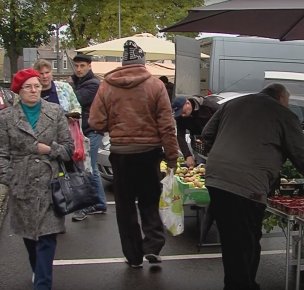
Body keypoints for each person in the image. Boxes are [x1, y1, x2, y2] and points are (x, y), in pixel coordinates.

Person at [201, 83, 304, 290]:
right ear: (281, 98)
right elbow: (302, 153)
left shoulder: (233, 104)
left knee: (235, 240)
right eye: (288, 101)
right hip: (246, 185)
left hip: (216, 178)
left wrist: (222, 159)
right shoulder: (282, 113)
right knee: (243, 242)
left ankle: (246, 284)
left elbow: (207, 133)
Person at [89, 40, 179, 268]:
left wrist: (115, 127)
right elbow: (167, 126)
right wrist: (171, 157)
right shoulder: (156, 85)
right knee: (149, 201)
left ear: (123, 61)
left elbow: (95, 121)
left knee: (125, 206)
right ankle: (153, 246)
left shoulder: (106, 86)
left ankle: (133, 255)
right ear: (142, 61)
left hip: (120, 154)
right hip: (149, 153)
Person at [0, 68, 74, 290]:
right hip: (21, 184)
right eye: (28, 87)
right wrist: (9, 178)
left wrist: (48, 149)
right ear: (18, 90)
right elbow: (2, 153)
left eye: (37, 86)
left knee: (47, 237)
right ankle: (37, 270)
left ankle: (42, 284)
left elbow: (69, 149)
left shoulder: (55, 111)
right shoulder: (6, 118)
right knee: (30, 236)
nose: (34, 90)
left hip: (50, 183)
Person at [68, 53, 107, 221]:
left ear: (89, 66)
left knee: (89, 168)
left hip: (91, 131)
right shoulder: (79, 82)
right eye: (76, 66)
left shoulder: (93, 84)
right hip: (85, 131)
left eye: (82, 66)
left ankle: (94, 204)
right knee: (90, 168)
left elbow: (74, 102)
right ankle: (99, 203)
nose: (78, 69)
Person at [172, 95, 220, 167]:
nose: (182, 115)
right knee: (200, 168)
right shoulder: (180, 117)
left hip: (216, 144)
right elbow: (180, 136)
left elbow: (225, 121)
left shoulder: (208, 106)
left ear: (187, 103)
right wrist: (187, 155)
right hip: (198, 145)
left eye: (183, 112)